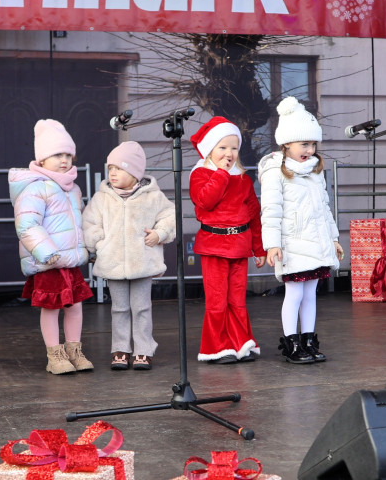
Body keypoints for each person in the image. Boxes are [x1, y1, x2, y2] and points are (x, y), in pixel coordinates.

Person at [258, 97, 343, 364]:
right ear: (286, 143)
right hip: (293, 244)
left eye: (313, 144)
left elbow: (324, 208)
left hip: (316, 244)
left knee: (310, 294)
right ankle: (292, 343)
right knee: (294, 293)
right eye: (304, 144)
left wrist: (333, 238)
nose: (310, 149)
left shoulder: (315, 172)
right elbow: (270, 211)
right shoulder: (276, 171)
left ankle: (308, 340)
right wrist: (272, 244)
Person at [9, 119, 94, 375]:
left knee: (75, 305)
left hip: (68, 260)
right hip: (49, 261)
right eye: (57, 154)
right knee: (51, 306)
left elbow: (78, 224)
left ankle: (74, 351)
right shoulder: (35, 188)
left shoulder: (72, 189)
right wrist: (46, 252)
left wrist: (86, 248)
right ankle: (54, 355)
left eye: (68, 154)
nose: (64, 160)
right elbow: (26, 225)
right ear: (42, 159)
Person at [83, 141, 175, 370]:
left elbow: (170, 216)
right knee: (119, 308)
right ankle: (121, 349)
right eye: (110, 168)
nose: (112, 173)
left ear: (134, 172)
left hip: (142, 262)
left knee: (142, 307)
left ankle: (143, 350)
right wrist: (99, 243)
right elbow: (89, 223)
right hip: (113, 263)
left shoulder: (152, 196)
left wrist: (159, 233)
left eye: (119, 168)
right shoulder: (102, 197)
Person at [189, 116, 266, 363]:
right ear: (210, 149)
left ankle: (241, 343)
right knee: (217, 300)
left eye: (234, 148)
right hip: (214, 245)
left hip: (239, 245)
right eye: (222, 147)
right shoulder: (201, 174)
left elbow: (254, 213)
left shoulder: (242, 178)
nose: (229, 153)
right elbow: (205, 201)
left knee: (237, 299)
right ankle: (216, 347)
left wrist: (259, 248)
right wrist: (221, 174)